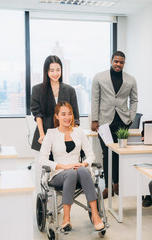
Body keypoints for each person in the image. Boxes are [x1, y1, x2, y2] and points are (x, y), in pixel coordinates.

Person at [39, 101, 104, 231]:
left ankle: (95, 215)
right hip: (58, 174)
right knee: (71, 173)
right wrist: (63, 166)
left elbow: (91, 155)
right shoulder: (51, 133)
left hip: (78, 171)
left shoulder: (79, 131)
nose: (67, 117)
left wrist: (84, 163)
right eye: (63, 114)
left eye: (70, 114)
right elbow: (42, 159)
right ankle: (66, 218)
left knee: (83, 171)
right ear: (57, 116)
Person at [91, 50, 138, 199]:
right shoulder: (99, 77)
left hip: (123, 121)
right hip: (104, 121)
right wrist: (94, 119)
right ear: (111, 61)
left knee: (120, 154)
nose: (118, 64)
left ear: (124, 63)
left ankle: (118, 183)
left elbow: (134, 99)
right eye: (116, 61)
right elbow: (95, 99)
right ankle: (108, 186)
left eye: (121, 62)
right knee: (106, 154)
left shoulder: (131, 79)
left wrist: (131, 116)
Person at [31, 55, 79, 191]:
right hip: (43, 136)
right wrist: (42, 134)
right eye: (51, 70)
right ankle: (42, 204)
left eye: (58, 70)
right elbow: (37, 114)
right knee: (42, 174)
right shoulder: (38, 90)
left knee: (61, 173)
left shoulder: (69, 90)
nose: (55, 73)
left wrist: (72, 138)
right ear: (46, 71)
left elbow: (74, 117)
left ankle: (58, 206)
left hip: (63, 139)